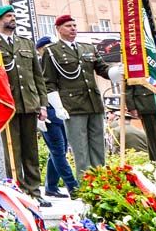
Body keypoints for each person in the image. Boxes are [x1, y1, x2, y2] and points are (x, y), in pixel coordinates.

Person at [0, 4, 47, 204]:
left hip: (29, 102)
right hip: (7, 104)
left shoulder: (26, 43)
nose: (12, 19)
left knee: (31, 149)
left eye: (14, 15)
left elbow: (37, 76)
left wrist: (42, 104)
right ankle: (18, 190)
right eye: (8, 16)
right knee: (13, 150)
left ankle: (34, 191)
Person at [41, 15, 118, 176]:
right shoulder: (52, 52)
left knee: (98, 145)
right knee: (80, 149)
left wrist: (115, 72)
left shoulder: (88, 48)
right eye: (68, 26)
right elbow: (49, 82)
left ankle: (101, 181)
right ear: (59, 29)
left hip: (94, 103)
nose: (73, 28)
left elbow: (102, 69)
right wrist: (58, 106)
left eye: (74, 25)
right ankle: (86, 185)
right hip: (72, 106)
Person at [34, 36, 79, 198]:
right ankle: (73, 186)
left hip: (60, 111)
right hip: (47, 112)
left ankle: (51, 186)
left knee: (59, 151)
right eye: (47, 48)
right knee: (58, 150)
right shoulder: (38, 65)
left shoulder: (56, 65)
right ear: (39, 50)